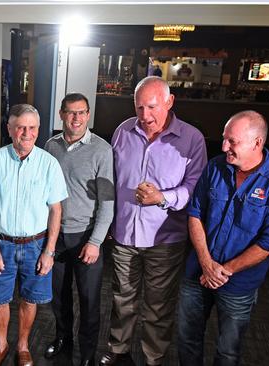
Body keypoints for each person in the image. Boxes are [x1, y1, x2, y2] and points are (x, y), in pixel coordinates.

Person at [100, 76, 207, 366]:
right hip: (124, 234)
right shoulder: (123, 131)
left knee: (158, 306)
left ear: (170, 102)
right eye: (139, 108)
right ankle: (119, 350)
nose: (145, 116)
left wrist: (162, 197)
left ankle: (153, 358)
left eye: (152, 107)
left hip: (165, 239)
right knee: (122, 298)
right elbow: (113, 180)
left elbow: (194, 191)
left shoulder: (192, 139)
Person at [177, 111, 269, 366]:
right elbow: (195, 214)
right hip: (198, 271)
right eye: (224, 139)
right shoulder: (215, 167)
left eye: (233, 141)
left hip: (238, 284)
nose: (224, 147)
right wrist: (207, 264)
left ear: (257, 143)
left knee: (228, 351)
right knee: (187, 340)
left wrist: (224, 271)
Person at [0, 104, 68, 366]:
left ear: (38, 130)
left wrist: (49, 251)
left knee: (30, 299)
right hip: (2, 244)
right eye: (20, 127)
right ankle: (1, 344)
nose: (26, 133)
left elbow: (56, 209)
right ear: (9, 129)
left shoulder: (49, 164)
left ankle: (22, 345)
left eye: (32, 128)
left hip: (36, 245)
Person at [44, 93, 115, 366]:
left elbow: (107, 202)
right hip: (56, 237)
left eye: (82, 112)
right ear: (62, 114)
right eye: (71, 112)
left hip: (86, 237)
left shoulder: (102, 150)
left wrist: (96, 241)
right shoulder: (51, 146)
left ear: (88, 115)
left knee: (88, 301)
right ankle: (63, 340)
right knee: (59, 298)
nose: (76, 118)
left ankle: (87, 353)